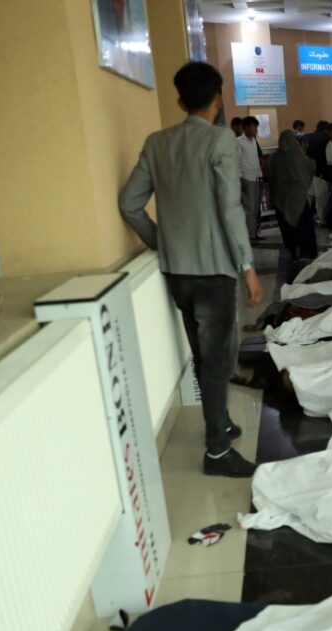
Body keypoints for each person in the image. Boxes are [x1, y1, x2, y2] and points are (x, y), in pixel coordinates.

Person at [119, 62, 262, 478]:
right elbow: (230, 208)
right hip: (214, 270)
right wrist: (248, 266)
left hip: (177, 271)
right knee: (218, 359)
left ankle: (221, 424)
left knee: (203, 355)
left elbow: (130, 204)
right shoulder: (219, 141)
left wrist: (161, 241)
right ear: (218, 99)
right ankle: (217, 450)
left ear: (180, 101)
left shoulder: (157, 142)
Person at [268, 129, 319, 263]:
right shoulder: (297, 155)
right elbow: (309, 169)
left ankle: (293, 251)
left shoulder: (274, 157)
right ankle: (307, 251)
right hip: (297, 199)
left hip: (280, 197)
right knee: (304, 225)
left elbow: (270, 176)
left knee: (287, 227)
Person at [236, 116, 262, 241]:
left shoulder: (253, 141)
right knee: (249, 209)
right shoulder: (239, 142)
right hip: (246, 179)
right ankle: (248, 236)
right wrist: (241, 180)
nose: (255, 130)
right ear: (245, 128)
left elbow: (255, 161)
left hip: (255, 178)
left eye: (256, 127)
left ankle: (253, 233)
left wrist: (260, 176)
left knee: (256, 208)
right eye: (253, 127)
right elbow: (235, 162)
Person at [305, 121, 332, 220]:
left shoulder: (307, 137)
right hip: (320, 172)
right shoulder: (325, 138)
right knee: (321, 198)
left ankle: (307, 219)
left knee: (309, 197)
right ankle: (322, 219)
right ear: (326, 129)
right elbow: (327, 157)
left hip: (307, 172)